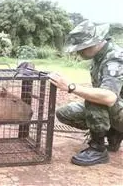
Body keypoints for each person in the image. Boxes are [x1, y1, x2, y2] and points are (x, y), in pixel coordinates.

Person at [48, 20, 123, 166]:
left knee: (95, 99)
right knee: (64, 113)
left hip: (116, 105)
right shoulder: (99, 57)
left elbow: (108, 97)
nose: (78, 52)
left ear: (94, 43)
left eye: (81, 48)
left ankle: (98, 148)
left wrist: (71, 86)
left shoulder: (115, 57)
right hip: (118, 109)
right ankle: (114, 134)